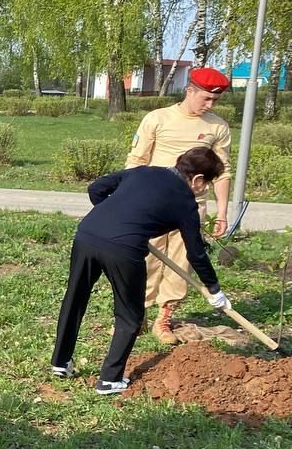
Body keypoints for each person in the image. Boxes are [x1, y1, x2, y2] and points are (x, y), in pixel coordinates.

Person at [51, 148, 229, 395]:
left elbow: (96, 188)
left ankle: (60, 362)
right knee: (130, 315)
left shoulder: (143, 172)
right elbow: (196, 252)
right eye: (207, 183)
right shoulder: (186, 202)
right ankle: (109, 380)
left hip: (87, 235)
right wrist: (214, 289)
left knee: (75, 297)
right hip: (123, 250)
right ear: (198, 179)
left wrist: (115, 219)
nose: (205, 189)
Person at [126, 66, 232, 344]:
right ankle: (137, 314)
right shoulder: (158, 119)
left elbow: (223, 171)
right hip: (153, 203)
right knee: (146, 259)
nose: (209, 105)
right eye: (205, 98)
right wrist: (129, 196)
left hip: (192, 207)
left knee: (181, 263)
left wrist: (222, 212)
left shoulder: (217, 127)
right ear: (190, 91)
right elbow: (137, 160)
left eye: (214, 101)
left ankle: (164, 318)